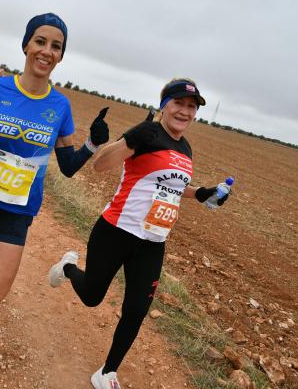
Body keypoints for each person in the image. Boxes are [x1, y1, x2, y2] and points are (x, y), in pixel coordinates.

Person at [0, 12, 110, 370]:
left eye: (56, 46)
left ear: (61, 55)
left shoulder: (59, 106)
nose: (47, 51)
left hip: (17, 208)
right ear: (27, 45)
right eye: (40, 42)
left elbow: (67, 165)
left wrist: (93, 144)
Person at [48, 78, 231, 389]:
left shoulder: (185, 147)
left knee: (135, 311)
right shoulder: (147, 134)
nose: (185, 111)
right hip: (116, 230)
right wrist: (129, 139)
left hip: (153, 243)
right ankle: (67, 267)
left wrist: (201, 192)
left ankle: (106, 372)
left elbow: (170, 186)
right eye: (178, 103)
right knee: (93, 297)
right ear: (164, 105)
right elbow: (101, 165)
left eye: (191, 107)